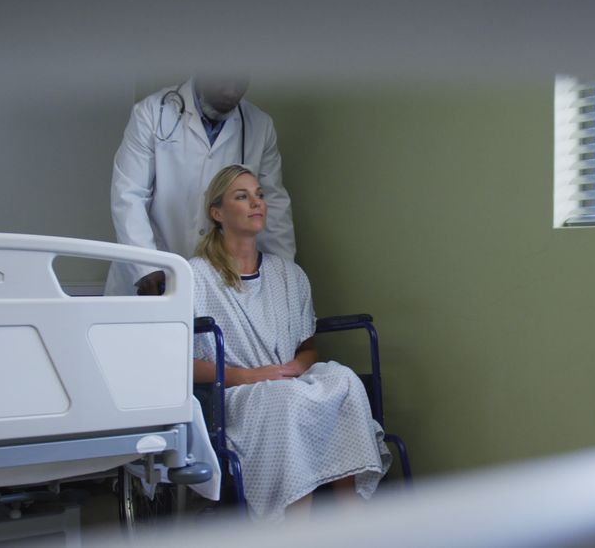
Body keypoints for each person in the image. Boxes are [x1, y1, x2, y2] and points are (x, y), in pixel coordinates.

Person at [191, 165, 390, 520]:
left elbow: (307, 349)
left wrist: (296, 367)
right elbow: (181, 365)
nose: (256, 203)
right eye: (242, 196)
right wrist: (250, 376)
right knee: (286, 399)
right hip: (236, 394)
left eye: (259, 195)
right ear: (217, 213)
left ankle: (353, 523)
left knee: (342, 380)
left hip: (288, 382)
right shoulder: (195, 277)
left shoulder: (289, 275)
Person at [106, 74, 295, 295]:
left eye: (239, 82)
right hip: (154, 272)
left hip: (220, 283)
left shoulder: (259, 126)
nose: (230, 92)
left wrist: (286, 276)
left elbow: (274, 208)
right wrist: (146, 267)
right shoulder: (152, 113)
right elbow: (128, 195)